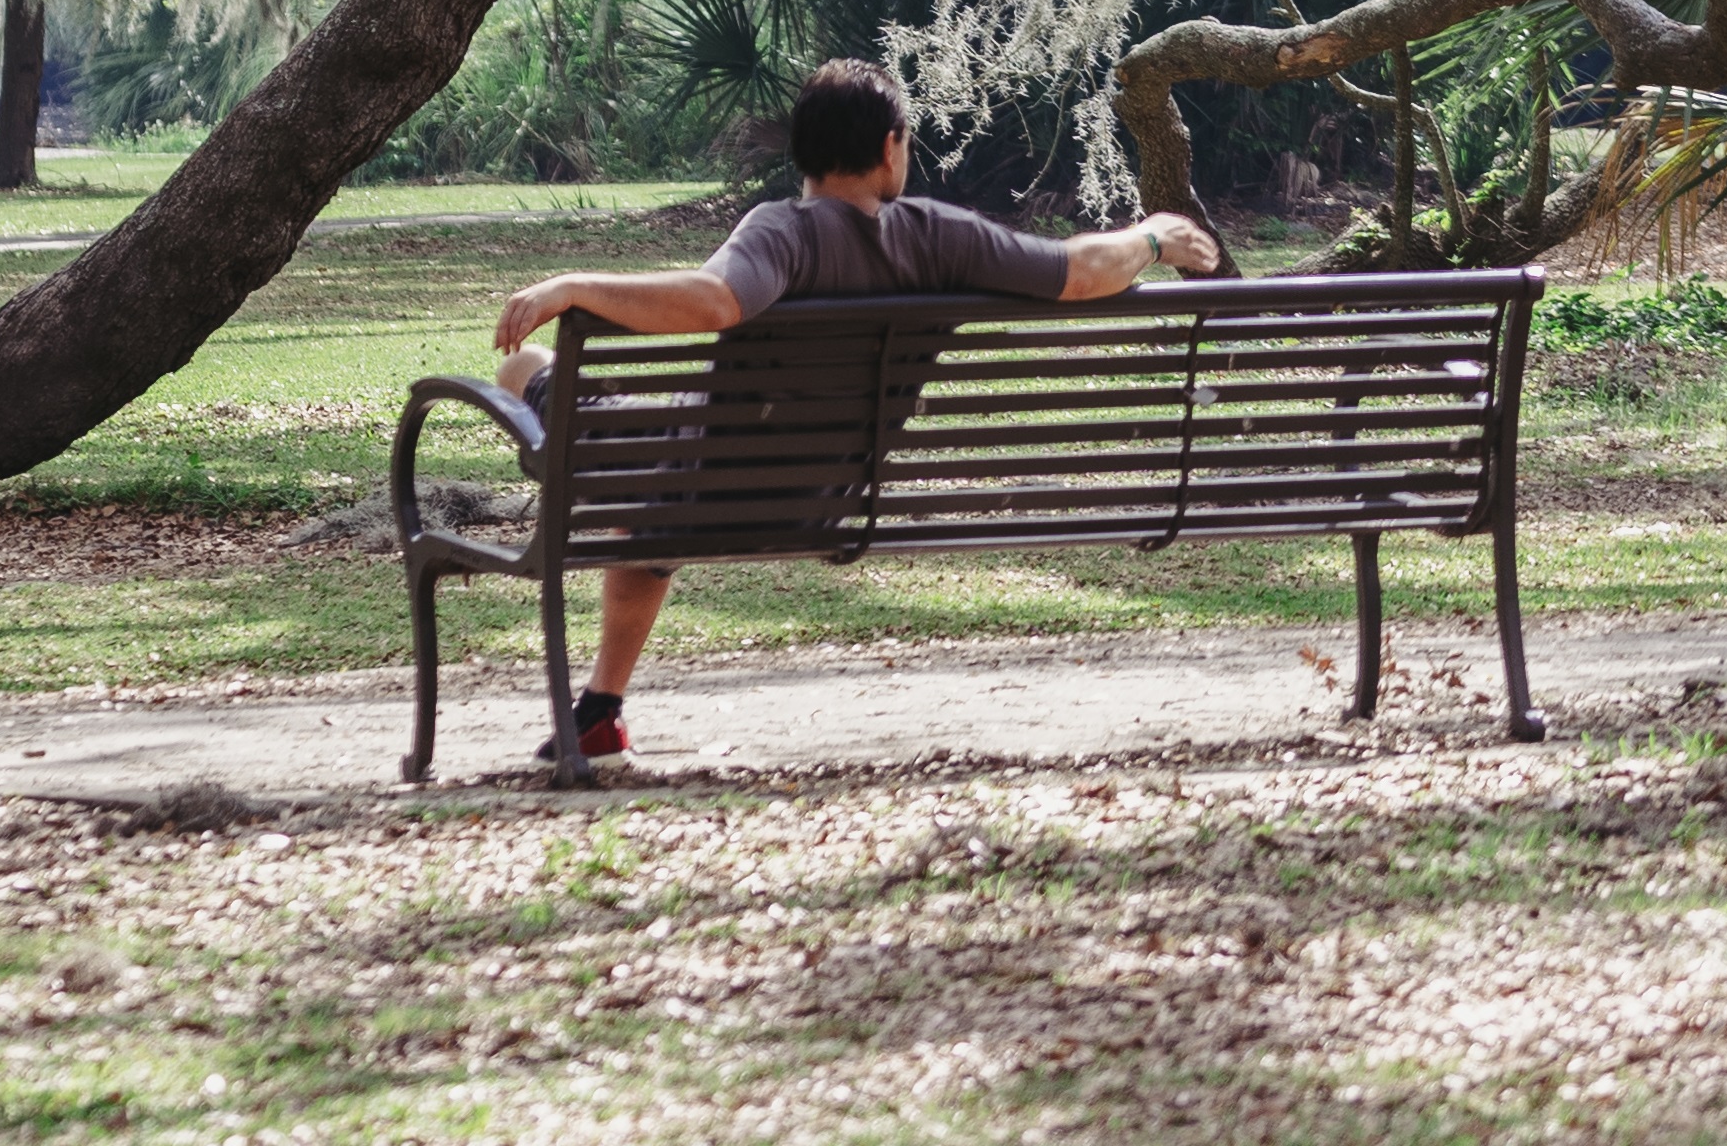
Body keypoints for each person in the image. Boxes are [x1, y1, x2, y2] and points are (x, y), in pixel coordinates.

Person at [479, 56, 1220, 768]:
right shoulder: (942, 236)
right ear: (890, 146)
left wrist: (573, 284)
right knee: (656, 482)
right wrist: (1152, 237)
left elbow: (714, 301)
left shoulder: (781, 230)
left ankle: (602, 700)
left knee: (529, 371)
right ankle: (600, 710)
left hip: (696, 490)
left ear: (804, 152)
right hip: (829, 497)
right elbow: (1085, 272)